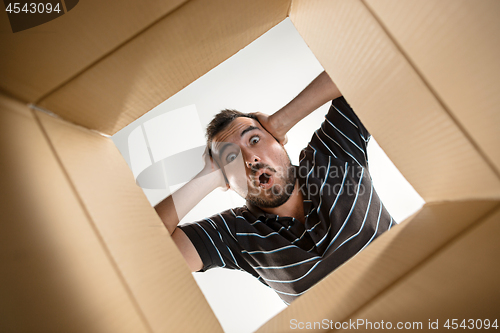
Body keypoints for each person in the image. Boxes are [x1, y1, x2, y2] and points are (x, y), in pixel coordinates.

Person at [154, 71, 395, 304]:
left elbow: (363, 64)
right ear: (225, 180)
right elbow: (146, 251)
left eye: (255, 140)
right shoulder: (234, 234)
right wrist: (208, 176)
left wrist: (280, 120)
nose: (251, 159)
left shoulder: (331, 155)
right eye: (232, 159)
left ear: (279, 139)